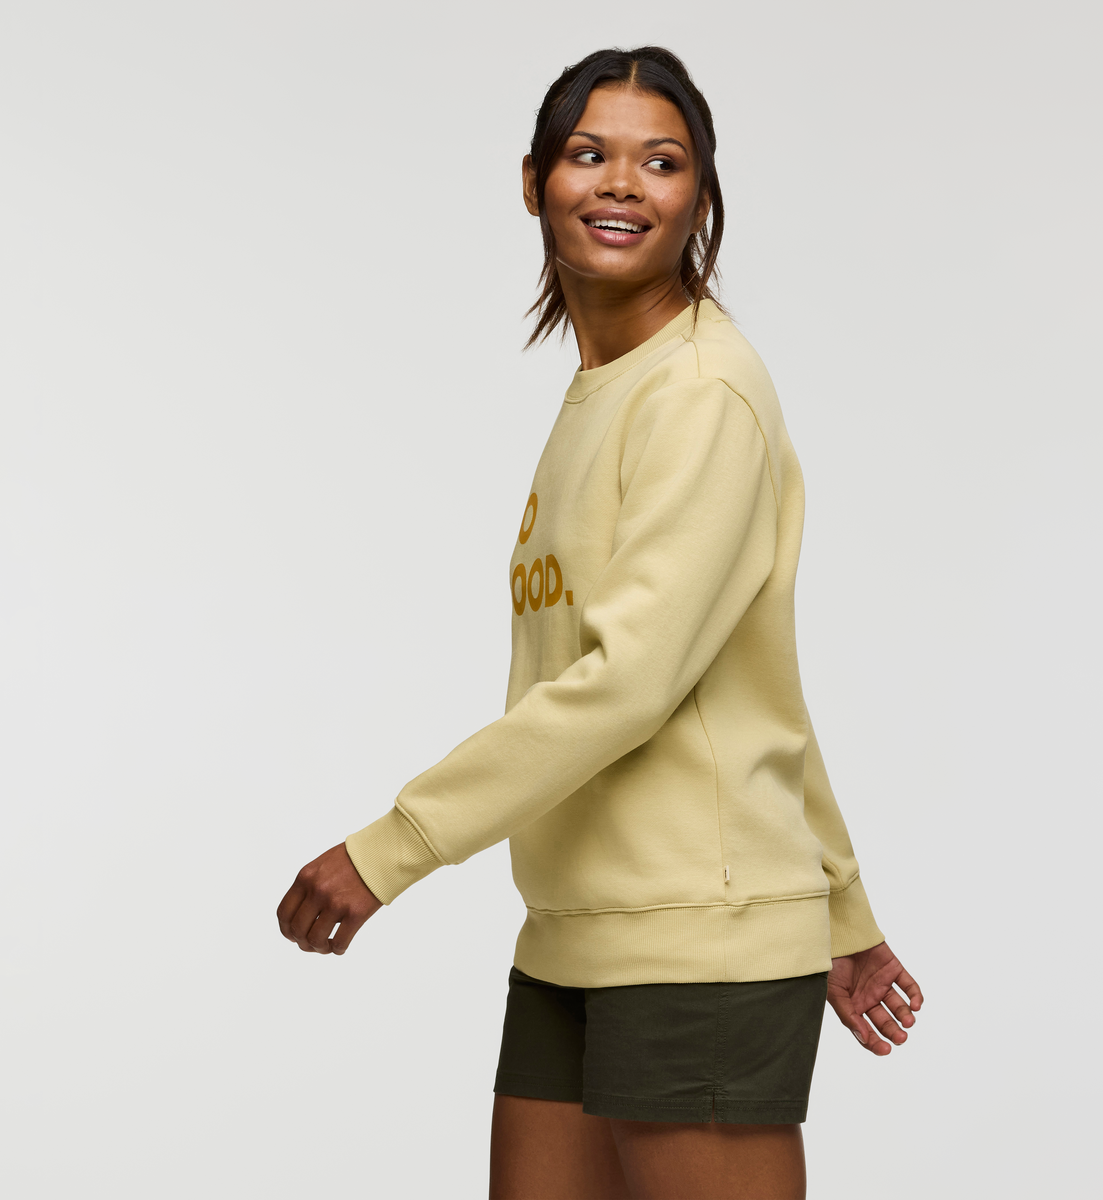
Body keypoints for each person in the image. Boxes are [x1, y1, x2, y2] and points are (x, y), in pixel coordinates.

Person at [276, 46, 924, 1200]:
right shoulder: (607, 392)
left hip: (699, 942)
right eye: (590, 153)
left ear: (701, 199)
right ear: (534, 181)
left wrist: (391, 848)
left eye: (661, 162)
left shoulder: (702, 392)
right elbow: (752, 681)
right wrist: (844, 906)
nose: (622, 182)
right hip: (576, 928)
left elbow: (629, 682)